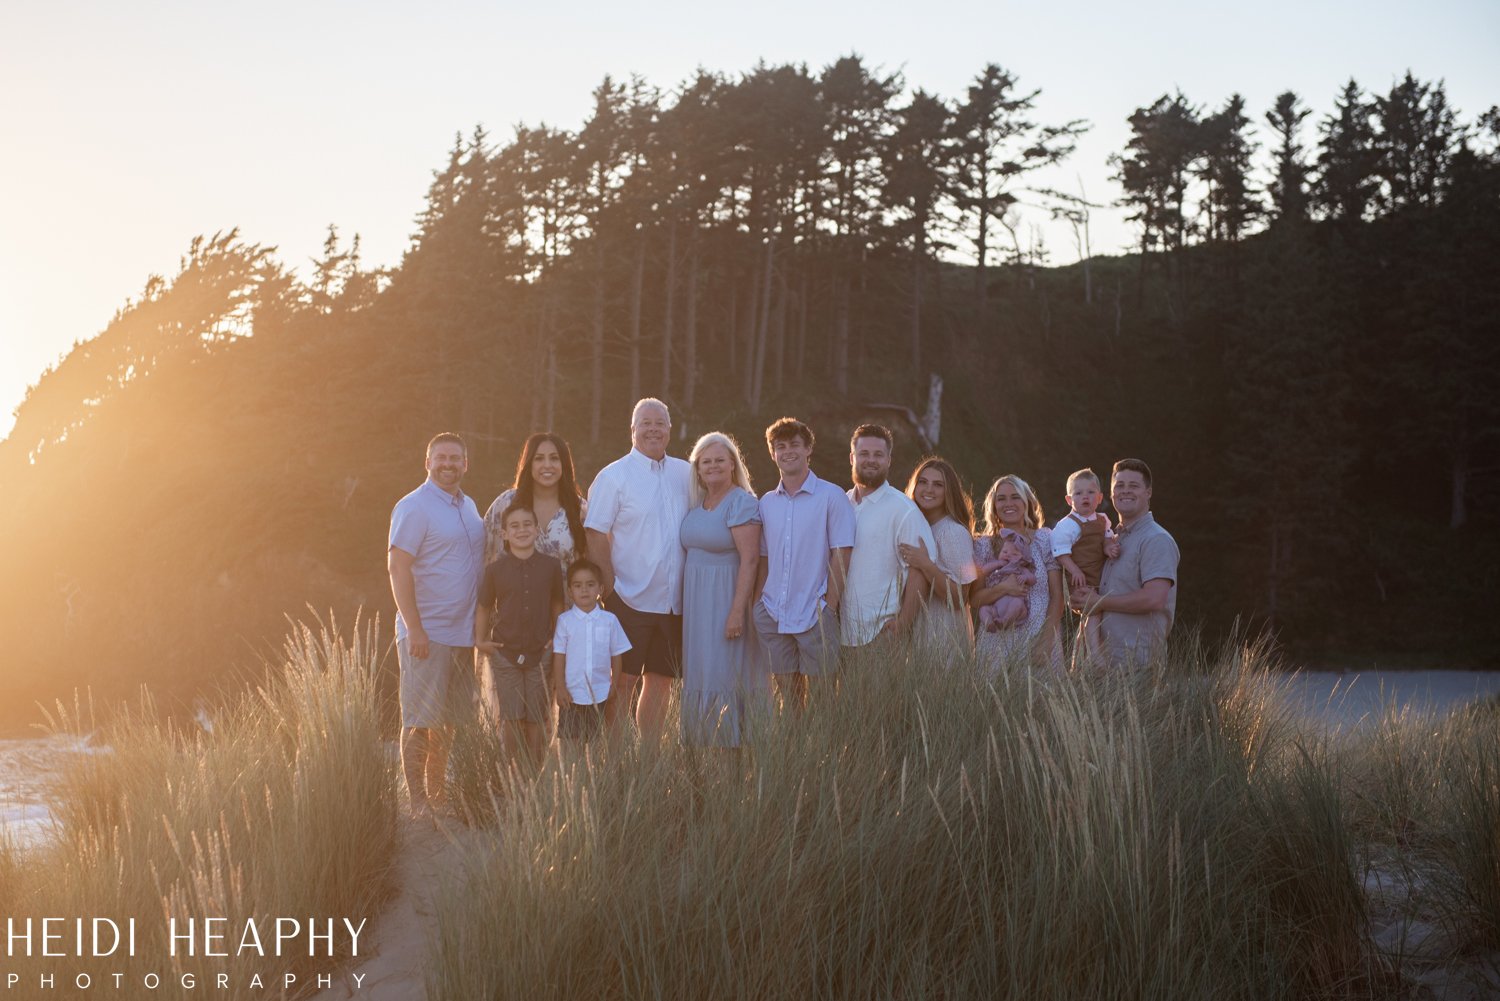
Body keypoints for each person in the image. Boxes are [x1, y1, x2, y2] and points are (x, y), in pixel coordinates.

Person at [387, 432, 485, 819]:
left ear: (465, 463)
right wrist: (415, 628)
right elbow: (397, 567)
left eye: (455, 458)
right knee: (419, 720)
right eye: (441, 458)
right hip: (427, 632)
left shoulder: (469, 505)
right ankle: (416, 805)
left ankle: (438, 795)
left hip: (464, 635)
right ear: (427, 463)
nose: (448, 464)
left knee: (449, 722)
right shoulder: (414, 506)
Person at [584, 398, 693, 743]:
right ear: (632, 431)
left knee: (661, 681)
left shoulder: (686, 473)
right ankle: (616, 763)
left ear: (669, 430)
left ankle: (649, 760)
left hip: (674, 602)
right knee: (624, 682)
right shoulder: (614, 476)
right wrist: (610, 587)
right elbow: (595, 532)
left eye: (660, 423)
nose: (653, 429)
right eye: (645, 423)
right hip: (628, 599)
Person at [754, 417, 855, 713]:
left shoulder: (831, 495)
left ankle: (822, 756)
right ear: (772, 453)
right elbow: (763, 558)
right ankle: (793, 756)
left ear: (808, 448)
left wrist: (830, 606)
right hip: (773, 612)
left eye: (795, 445)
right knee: (789, 701)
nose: (788, 452)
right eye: (780, 447)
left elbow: (842, 552)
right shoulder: (767, 503)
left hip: (815, 613)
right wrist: (759, 602)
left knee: (823, 702)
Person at [680, 432, 763, 747]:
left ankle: (730, 759)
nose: (712, 466)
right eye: (706, 461)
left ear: (732, 464)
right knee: (701, 674)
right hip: (697, 609)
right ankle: (702, 754)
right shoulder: (696, 505)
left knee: (724, 674)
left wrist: (736, 612)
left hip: (725, 603)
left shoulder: (741, 502)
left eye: (719, 460)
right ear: (698, 469)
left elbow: (751, 560)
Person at [474, 503, 564, 769]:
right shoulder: (495, 570)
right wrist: (480, 640)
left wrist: (556, 637)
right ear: (504, 534)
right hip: (505, 652)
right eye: (514, 526)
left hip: (540, 652)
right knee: (511, 717)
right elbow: (484, 607)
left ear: (537, 530)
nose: (521, 530)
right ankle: (512, 774)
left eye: (527, 524)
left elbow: (558, 605)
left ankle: (535, 773)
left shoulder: (550, 567)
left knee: (537, 716)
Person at [1070, 458, 1180, 669]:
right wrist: (1081, 600)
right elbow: (1097, 595)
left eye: (1134, 486)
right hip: (1093, 665)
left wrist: (1099, 602)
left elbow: (1154, 599)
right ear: (1111, 493)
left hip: (1134, 665)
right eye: (1119, 485)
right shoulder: (1109, 539)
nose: (1125, 491)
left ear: (1148, 492)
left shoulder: (1156, 539)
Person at [841, 424, 937, 653]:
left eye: (878, 454)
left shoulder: (904, 510)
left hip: (881, 636)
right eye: (864, 454)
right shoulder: (842, 504)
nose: (871, 460)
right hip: (841, 636)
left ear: (888, 460)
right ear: (852, 458)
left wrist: (903, 625)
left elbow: (920, 571)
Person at [969, 475, 1063, 670]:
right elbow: (975, 599)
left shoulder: (1044, 539)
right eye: (1001, 498)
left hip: (1038, 639)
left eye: (1015, 497)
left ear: (1027, 502)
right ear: (993, 505)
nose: (1008, 503)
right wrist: (1004, 588)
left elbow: (1057, 596)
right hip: (996, 645)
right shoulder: (984, 546)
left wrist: (1046, 642)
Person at [482, 432, 588, 583]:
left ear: (564, 464)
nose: (547, 465)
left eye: (554, 458)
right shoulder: (506, 503)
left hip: (568, 604)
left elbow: (591, 566)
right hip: (517, 603)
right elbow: (488, 556)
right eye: (538, 459)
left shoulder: (580, 509)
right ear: (529, 463)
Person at [898, 457, 977, 659]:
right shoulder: (918, 528)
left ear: (948, 491)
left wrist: (926, 564)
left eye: (938, 485)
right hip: (918, 635)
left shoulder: (953, 532)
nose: (929, 489)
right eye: (923, 482)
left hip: (945, 638)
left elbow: (961, 598)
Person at [551, 559, 632, 743]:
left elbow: (616, 656)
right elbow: (559, 657)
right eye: (578, 586)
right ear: (570, 592)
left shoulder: (609, 620)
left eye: (590, 584)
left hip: (599, 692)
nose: (584, 590)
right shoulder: (565, 621)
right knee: (570, 741)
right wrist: (560, 687)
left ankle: (594, 772)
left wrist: (614, 684)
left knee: (595, 741)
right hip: (572, 694)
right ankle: (570, 773)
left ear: (600, 590)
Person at [1051, 467, 1120, 662]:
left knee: (1090, 617)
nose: (1085, 497)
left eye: (1090, 493)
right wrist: (1074, 570)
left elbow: (1107, 538)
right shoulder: (1068, 524)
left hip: (1099, 577)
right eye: (1078, 493)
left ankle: (1077, 659)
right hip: (1080, 579)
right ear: (1069, 500)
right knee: (1094, 612)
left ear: (1099, 498)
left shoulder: (1103, 520)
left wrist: (1108, 548)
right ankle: (1096, 656)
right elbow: (1060, 552)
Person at [974, 529, 1036, 630]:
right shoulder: (997, 567)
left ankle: (1006, 620)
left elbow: (1033, 579)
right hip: (996, 609)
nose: (1008, 555)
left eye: (1015, 554)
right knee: (983, 609)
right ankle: (989, 623)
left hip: (1017, 609)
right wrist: (997, 564)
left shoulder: (1021, 569)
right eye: (1005, 551)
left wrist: (1026, 577)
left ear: (1024, 560)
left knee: (1017, 603)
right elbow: (984, 571)